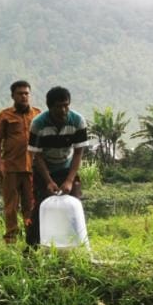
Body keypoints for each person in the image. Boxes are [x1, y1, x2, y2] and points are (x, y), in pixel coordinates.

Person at [26, 86, 90, 247]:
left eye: (66, 105)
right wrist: (48, 181)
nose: (63, 110)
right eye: (58, 107)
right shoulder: (38, 124)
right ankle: (33, 249)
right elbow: (37, 156)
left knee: (73, 205)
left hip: (67, 168)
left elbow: (78, 153)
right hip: (44, 169)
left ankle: (77, 247)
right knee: (41, 207)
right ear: (49, 107)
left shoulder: (77, 121)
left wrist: (69, 180)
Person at [0, 81, 41, 243]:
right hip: (11, 167)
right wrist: (0, 163)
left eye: (26, 93)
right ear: (13, 96)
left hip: (32, 168)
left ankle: (31, 238)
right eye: (20, 93)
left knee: (30, 206)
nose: (24, 96)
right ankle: (11, 239)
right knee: (11, 206)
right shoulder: (4, 116)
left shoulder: (38, 114)